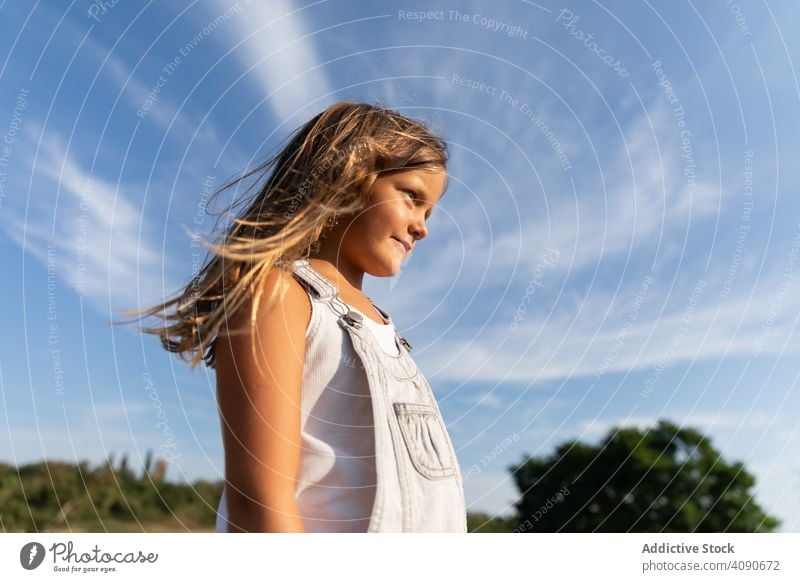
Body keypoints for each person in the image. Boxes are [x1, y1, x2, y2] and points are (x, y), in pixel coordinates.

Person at [128, 102, 467, 532]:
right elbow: (259, 504)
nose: (422, 227)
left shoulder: (383, 328)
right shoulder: (279, 293)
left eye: (429, 211)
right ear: (349, 175)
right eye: (411, 196)